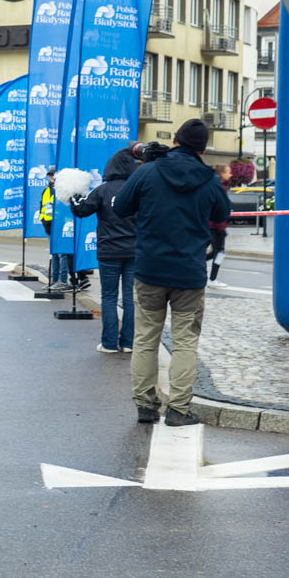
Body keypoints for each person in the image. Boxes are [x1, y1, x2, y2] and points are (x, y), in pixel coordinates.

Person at [113, 119, 231, 426]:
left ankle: (145, 405)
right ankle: (179, 409)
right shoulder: (209, 180)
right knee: (185, 342)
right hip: (189, 274)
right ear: (203, 150)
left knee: (145, 339)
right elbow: (222, 214)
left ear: (175, 141)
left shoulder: (148, 171)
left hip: (150, 270)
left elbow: (120, 207)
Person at [68, 143, 147, 354]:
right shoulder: (138, 189)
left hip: (109, 250)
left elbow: (81, 210)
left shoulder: (102, 190)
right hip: (134, 250)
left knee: (109, 297)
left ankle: (110, 343)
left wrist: (73, 194)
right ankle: (129, 343)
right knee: (130, 298)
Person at [38, 180, 73, 293]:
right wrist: (44, 221)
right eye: (50, 176)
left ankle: (62, 281)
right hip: (49, 226)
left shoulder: (62, 191)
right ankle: (54, 280)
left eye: (53, 175)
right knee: (54, 254)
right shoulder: (46, 191)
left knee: (62, 254)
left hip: (60, 226)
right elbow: (42, 207)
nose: (51, 178)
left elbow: (64, 208)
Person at [207, 164, 232, 287]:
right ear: (222, 174)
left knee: (216, 252)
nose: (230, 174)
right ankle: (212, 279)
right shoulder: (218, 187)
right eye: (228, 172)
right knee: (219, 252)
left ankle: (192, 264)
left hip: (218, 225)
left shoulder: (222, 185)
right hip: (216, 225)